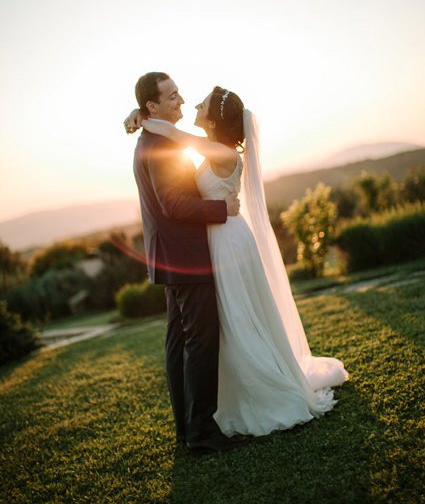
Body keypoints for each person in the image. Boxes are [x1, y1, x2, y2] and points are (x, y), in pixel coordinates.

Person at [126, 84, 348, 438]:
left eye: (202, 104)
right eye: (180, 97)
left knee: (237, 317)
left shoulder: (219, 151)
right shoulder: (213, 148)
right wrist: (139, 116)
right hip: (216, 237)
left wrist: (142, 117)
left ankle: (257, 396)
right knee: (228, 321)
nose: (192, 103)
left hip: (227, 241)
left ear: (213, 120)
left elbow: (171, 131)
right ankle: (215, 409)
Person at [130, 72, 242, 453]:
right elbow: (174, 204)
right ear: (152, 105)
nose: (181, 100)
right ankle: (201, 432)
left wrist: (136, 116)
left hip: (170, 255)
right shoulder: (159, 146)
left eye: (179, 94)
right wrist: (221, 208)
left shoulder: (152, 136)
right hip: (183, 255)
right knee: (200, 340)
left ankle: (188, 428)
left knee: (179, 344)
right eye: (172, 96)